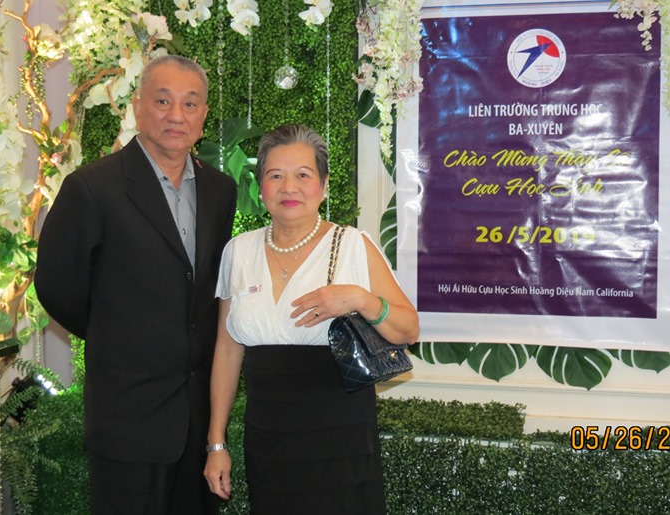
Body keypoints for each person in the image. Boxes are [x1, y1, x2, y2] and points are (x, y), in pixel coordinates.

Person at [34, 54, 237, 514]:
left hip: (197, 415)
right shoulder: (92, 188)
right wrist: (119, 333)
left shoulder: (220, 190)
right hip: (127, 413)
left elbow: (207, 288)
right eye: (163, 101)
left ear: (203, 115)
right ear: (138, 106)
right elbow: (57, 286)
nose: (176, 115)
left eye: (190, 104)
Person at [203, 123, 419, 513]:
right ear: (260, 185)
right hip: (268, 438)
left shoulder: (352, 244)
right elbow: (227, 350)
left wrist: (360, 299)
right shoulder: (238, 251)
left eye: (303, 175)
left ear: (323, 185)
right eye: (275, 176)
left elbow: (409, 329)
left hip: (341, 438)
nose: (289, 187)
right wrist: (216, 443)